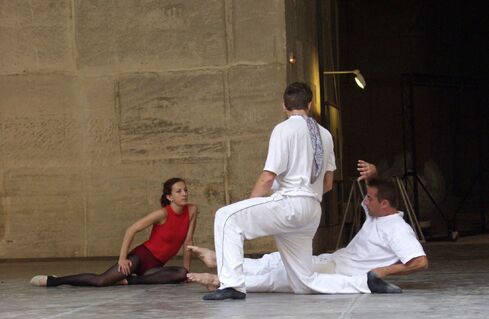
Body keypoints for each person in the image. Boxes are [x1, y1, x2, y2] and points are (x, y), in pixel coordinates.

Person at [202, 82, 400, 300]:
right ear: (310, 104)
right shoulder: (325, 135)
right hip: (312, 210)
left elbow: (269, 176)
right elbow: (327, 184)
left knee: (227, 217)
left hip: (290, 204)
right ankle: (366, 283)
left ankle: (232, 285)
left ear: (284, 106)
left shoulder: (283, 129)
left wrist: (250, 205)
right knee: (303, 281)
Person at [187, 161, 428, 293]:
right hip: (333, 260)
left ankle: (221, 280)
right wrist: (374, 176)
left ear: (385, 204)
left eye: (372, 199)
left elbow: (419, 262)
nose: (366, 201)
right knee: (276, 260)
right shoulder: (378, 214)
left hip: (340, 272)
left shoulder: (397, 228)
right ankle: (220, 260)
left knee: (282, 276)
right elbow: (372, 192)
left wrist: (383, 272)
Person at [30, 178, 197, 287]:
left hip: (155, 266)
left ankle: (131, 281)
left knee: (180, 274)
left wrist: (187, 270)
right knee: (101, 281)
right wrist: (122, 259)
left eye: (185, 190)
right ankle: (54, 280)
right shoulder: (162, 214)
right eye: (179, 191)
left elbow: (188, 241)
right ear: (169, 197)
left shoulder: (192, 210)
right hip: (141, 257)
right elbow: (131, 230)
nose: (184, 194)